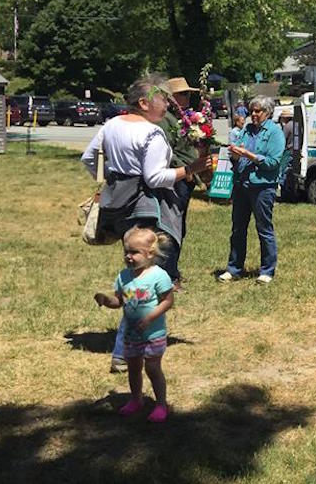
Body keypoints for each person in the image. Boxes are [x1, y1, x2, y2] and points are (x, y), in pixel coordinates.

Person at [81, 75, 210, 372]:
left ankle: (130, 342)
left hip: (117, 207)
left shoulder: (111, 125)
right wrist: (189, 170)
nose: (167, 104)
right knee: (145, 284)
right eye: (162, 98)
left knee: (135, 279)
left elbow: (89, 159)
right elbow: (154, 178)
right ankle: (125, 350)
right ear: (143, 103)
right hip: (143, 210)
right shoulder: (151, 134)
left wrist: (112, 182)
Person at [94, 225, 175, 423]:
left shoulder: (158, 275)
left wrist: (149, 318)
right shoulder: (124, 277)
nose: (129, 256)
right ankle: (136, 400)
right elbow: (119, 302)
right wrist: (106, 300)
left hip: (153, 335)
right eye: (126, 252)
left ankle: (161, 404)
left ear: (149, 254)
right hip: (131, 335)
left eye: (134, 252)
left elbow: (168, 300)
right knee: (133, 368)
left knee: (153, 369)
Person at [219, 97, 286, 284]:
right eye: (252, 111)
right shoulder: (246, 130)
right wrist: (234, 154)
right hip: (242, 185)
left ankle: (267, 270)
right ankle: (234, 269)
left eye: (258, 111)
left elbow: (273, 162)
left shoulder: (275, 132)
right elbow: (237, 155)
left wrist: (250, 155)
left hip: (263, 186)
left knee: (264, 228)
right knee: (238, 228)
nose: (253, 115)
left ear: (268, 112)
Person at [157, 76, 204, 287]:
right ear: (172, 97)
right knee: (171, 227)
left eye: (189, 94)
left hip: (188, 176)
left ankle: (172, 270)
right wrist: (185, 170)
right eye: (183, 94)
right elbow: (166, 151)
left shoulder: (184, 117)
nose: (187, 98)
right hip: (177, 177)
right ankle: (168, 276)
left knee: (180, 226)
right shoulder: (166, 119)